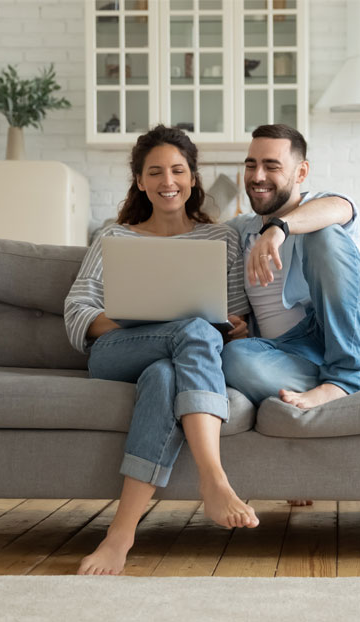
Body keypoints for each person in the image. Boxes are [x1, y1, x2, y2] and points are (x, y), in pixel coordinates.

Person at [64, 125, 259, 576]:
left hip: (177, 360)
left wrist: (239, 325)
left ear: (192, 178)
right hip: (117, 350)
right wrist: (139, 318)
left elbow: (234, 314)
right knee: (190, 329)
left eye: (177, 170)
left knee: (165, 377)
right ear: (140, 181)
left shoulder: (222, 239)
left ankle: (120, 535)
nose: (167, 180)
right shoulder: (115, 239)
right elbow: (77, 308)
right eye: (155, 172)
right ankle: (214, 479)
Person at [221, 124, 360, 413]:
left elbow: (338, 208)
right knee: (232, 358)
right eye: (251, 165)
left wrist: (280, 228)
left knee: (322, 232)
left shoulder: (324, 205)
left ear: (301, 173)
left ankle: (345, 376)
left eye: (271, 166)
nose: (258, 176)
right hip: (300, 352)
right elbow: (198, 238)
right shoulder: (240, 231)